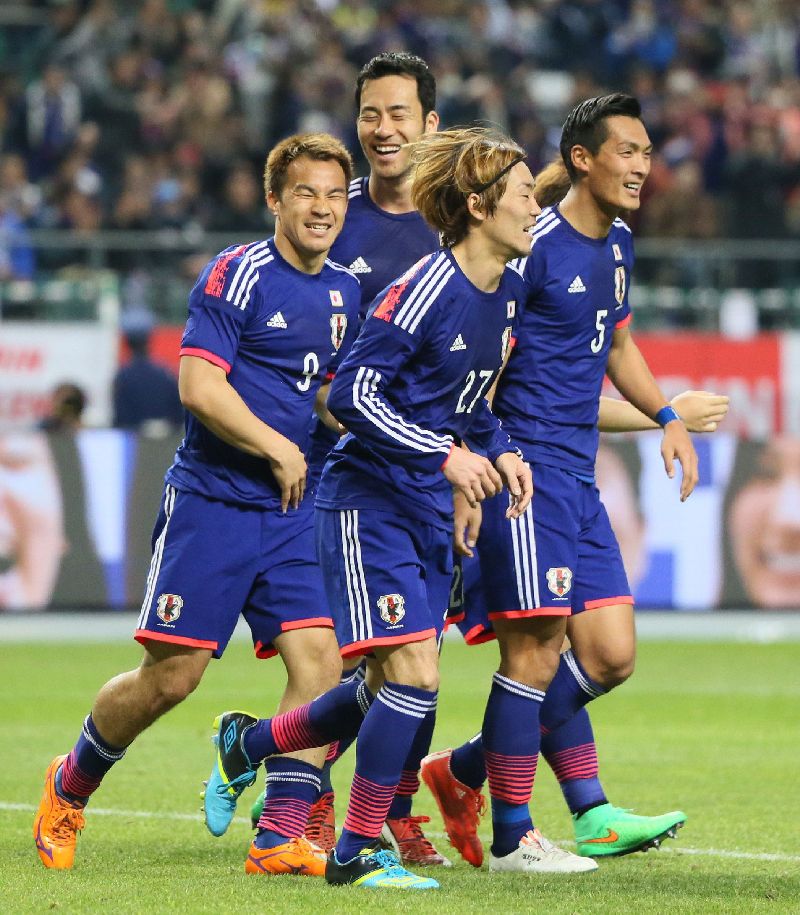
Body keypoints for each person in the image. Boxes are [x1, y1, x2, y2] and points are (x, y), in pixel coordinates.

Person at [204, 126, 534, 891]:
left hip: (425, 503)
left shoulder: (506, 291)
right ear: (480, 206)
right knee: (413, 676)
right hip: (366, 501)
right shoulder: (426, 287)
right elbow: (352, 393)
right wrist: (446, 456)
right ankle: (355, 849)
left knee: (391, 684)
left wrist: (499, 446)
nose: (533, 209)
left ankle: (252, 743)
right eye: (523, 195)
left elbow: (470, 399)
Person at [33, 132, 361, 877]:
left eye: (335, 195)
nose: (321, 208)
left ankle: (278, 833)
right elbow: (199, 386)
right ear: (275, 199)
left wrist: (359, 422)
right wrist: (277, 445)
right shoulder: (235, 274)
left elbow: (320, 390)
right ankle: (69, 782)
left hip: (290, 510)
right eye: (306, 192)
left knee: (323, 662)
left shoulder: (345, 290)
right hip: (211, 503)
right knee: (171, 680)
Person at [420, 94, 700, 872]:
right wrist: (479, 463)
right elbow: (481, 368)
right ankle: (518, 832)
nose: (645, 165)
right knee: (534, 654)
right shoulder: (530, 245)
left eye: (649, 151)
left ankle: (465, 768)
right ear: (583, 157)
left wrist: (667, 413)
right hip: (525, 477)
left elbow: (615, 343)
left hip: (579, 480)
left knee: (610, 655)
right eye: (630, 150)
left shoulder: (616, 244)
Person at [249, 50, 446, 867]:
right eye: (371, 113)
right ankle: (319, 810)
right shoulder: (331, 214)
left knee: (417, 659)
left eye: (400, 113)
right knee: (359, 657)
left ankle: (377, 804)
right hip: (342, 475)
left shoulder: (454, 221)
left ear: (431, 124)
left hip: (433, 474)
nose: (384, 129)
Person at [112, 311, 183, 434]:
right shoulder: (166, 374)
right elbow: (178, 416)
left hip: (135, 444)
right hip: (166, 443)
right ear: (148, 340)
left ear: (127, 342)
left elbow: (120, 419)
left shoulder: (122, 377)